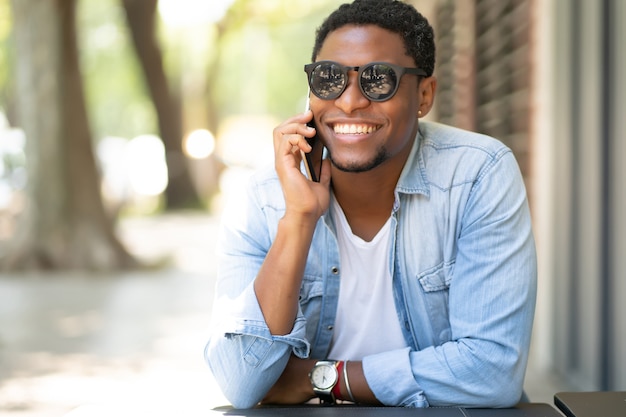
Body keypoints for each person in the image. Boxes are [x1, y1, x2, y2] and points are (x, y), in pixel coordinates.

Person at [204, 0, 537, 409]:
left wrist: (323, 377)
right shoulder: (263, 199)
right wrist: (299, 218)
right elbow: (242, 382)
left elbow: (492, 372)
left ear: (424, 94)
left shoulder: (477, 176)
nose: (349, 102)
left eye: (378, 80)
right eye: (330, 79)